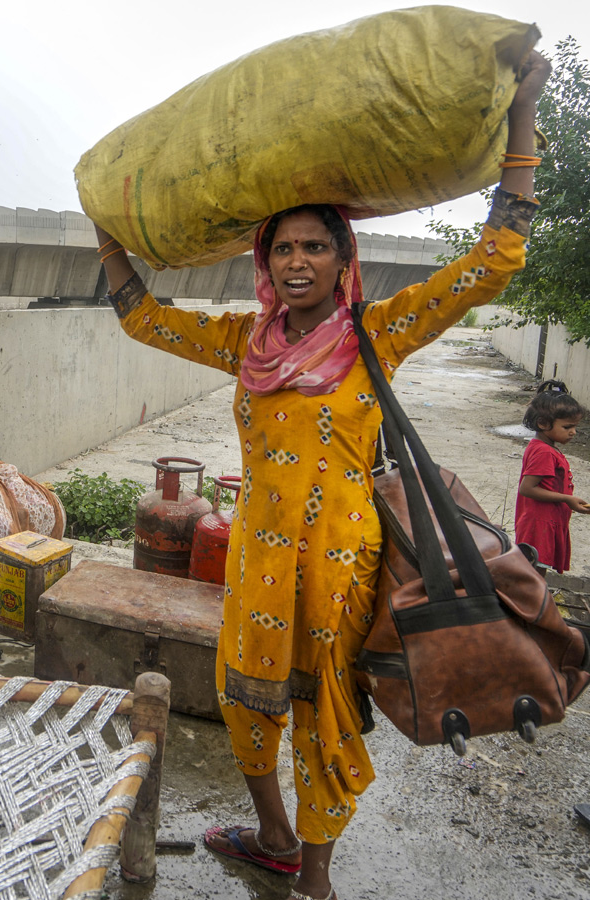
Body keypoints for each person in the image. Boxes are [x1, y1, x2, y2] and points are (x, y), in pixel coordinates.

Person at [91, 50, 551, 900]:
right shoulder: (243, 343)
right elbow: (146, 320)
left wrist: (521, 115)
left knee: (323, 715)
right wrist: (110, 235)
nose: (298, 260)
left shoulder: (379, 330)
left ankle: (318, 874)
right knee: (244, 699)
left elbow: (494, 261)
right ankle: (271, 834)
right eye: (284, 248)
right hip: (257, 565)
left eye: (315, 246)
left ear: (343, 261)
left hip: (340, 560)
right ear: (265, 264)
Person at [515, 381, 590, 572]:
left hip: (545, 522)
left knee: (535, 575)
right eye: (567, 427)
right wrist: (567, 499)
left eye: (575, 427)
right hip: (539, 526)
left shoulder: (545, 448)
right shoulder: (544, 453)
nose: (573, 432)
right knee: (534, 577)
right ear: (542, 423)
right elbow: (527, 488)